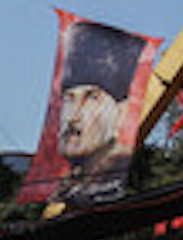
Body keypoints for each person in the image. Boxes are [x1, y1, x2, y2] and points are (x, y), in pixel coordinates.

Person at [51, 21, 145, 205]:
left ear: (121, 112)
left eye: (92, 98)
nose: (74, 116)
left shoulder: (109, 178)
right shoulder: (66, 187)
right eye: (69, 99)